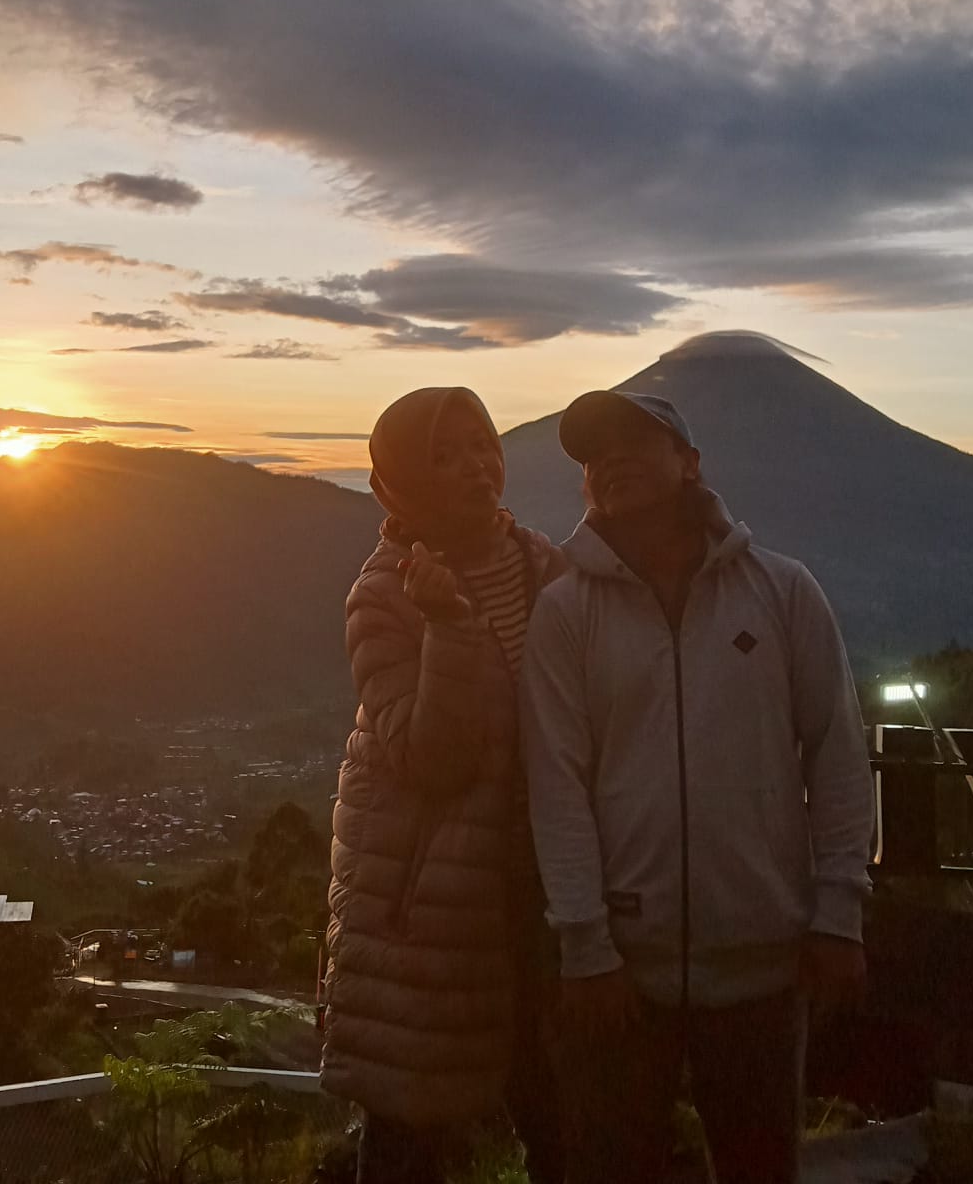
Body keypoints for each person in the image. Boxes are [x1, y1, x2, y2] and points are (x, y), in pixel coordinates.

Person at [519, 390, 874, 1184]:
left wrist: (840, 911)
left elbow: (839, 756)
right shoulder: (565, 612)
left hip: (764, 968)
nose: (610, 459)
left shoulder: (783, 592)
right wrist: (585, 947)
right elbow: (558, 785)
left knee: (758, 1168)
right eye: (593, 453)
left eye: (636, 441)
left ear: (691, 463)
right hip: (620, 978)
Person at [321, 386, 567, 1184]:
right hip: (426, 912)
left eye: (481, 444)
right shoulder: (385, 594)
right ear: (397, 483)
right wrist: (451, 628)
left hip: (544, 890)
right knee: (411, 1131)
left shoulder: (543, 564)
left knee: (563, 1112)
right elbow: (431, 757)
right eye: (443, 455)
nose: (474, 466)